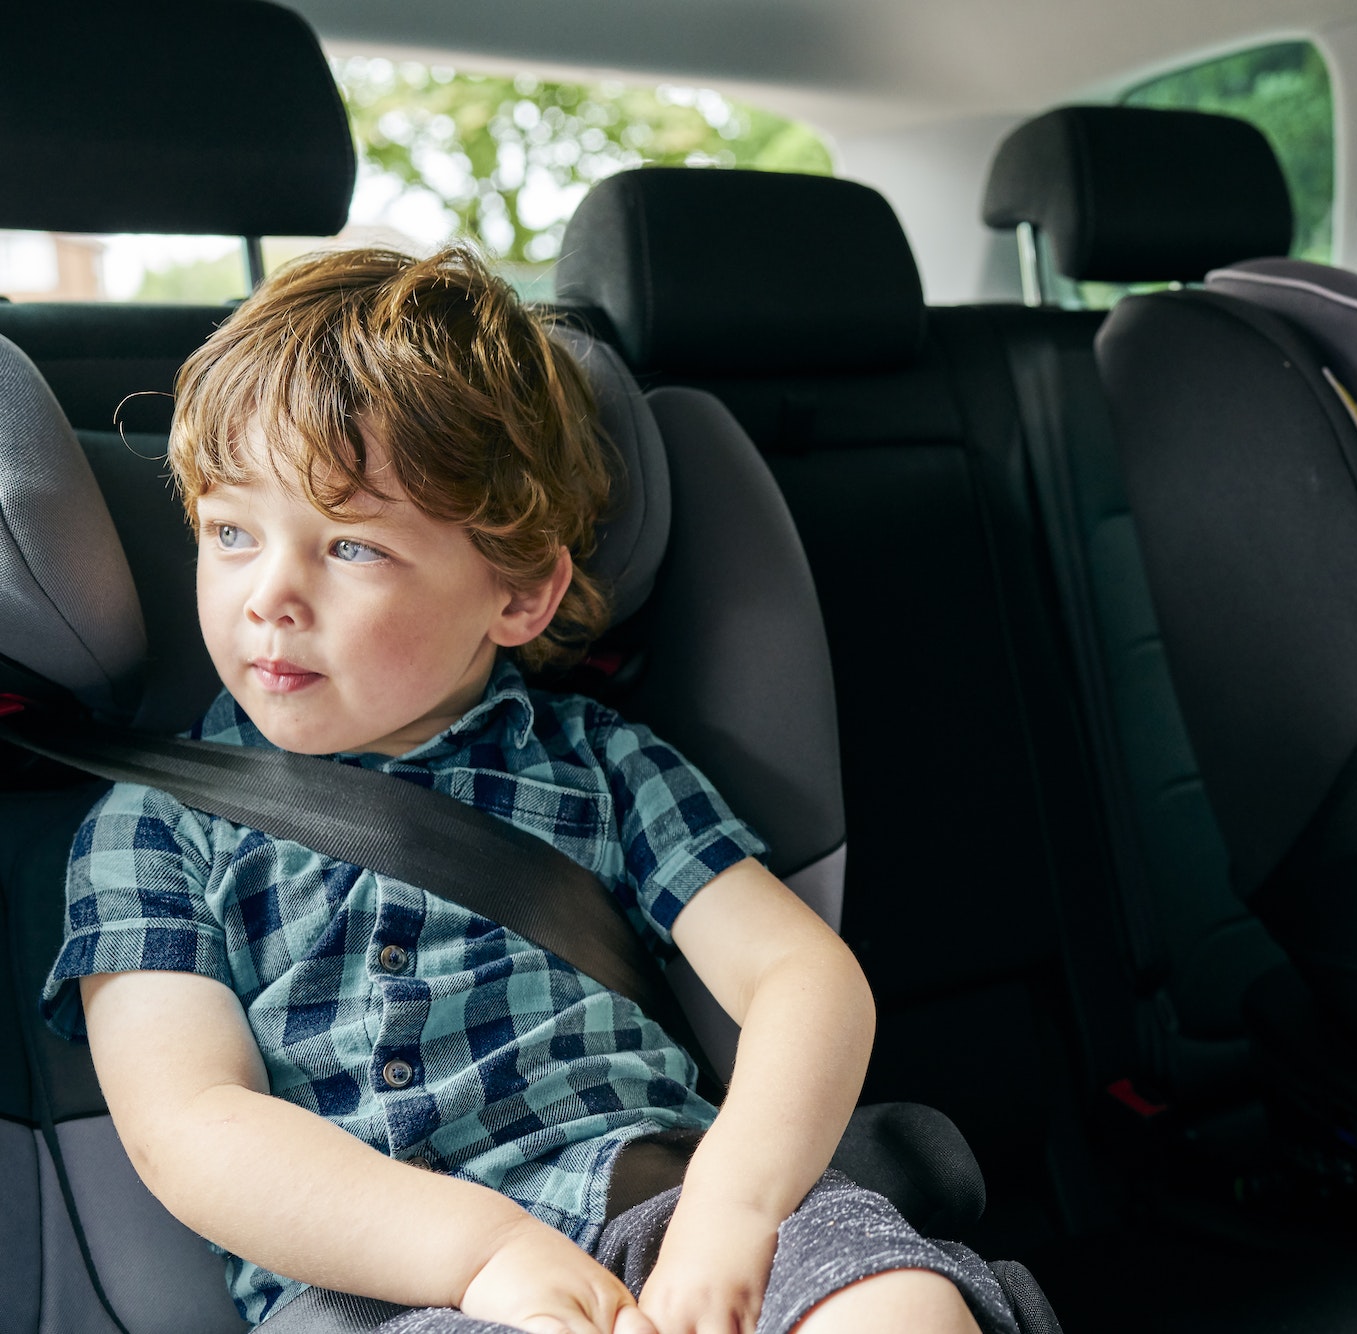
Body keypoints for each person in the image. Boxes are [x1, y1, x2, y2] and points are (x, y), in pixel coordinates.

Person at [40, 247, 1008, 1334]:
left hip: (659, 1197)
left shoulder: (598, 763)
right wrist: (480, 1250)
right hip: (381, 1282)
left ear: (520, 590)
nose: (269, 596)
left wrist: (734, 1201)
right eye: (230, 533)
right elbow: (191, 1121)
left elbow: (801, 976)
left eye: (351, 544)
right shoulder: (156, 826)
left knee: (901, 1304)